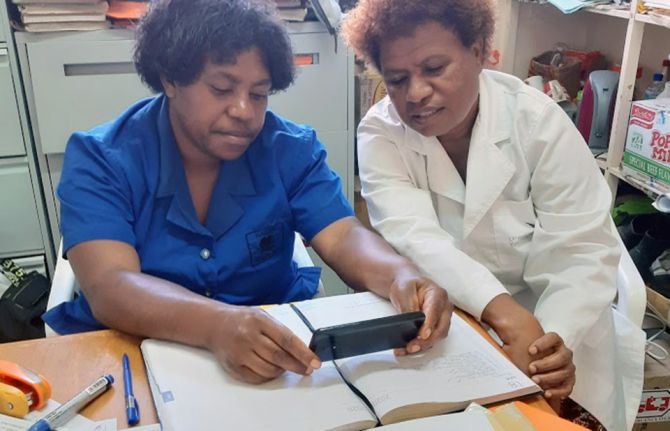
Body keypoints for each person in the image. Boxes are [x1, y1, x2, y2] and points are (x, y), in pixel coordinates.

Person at [43, 0, 452, 385]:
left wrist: (401, 275)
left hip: (274, 363)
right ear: (169, 78)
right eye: (222, 89)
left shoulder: (289, 149)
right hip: (138, 358)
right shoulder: (100, 159)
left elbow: (343, 236)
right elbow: (111, 285)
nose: (243, 111)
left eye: (258, 94)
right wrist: (216, 324)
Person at [341, 1, 644, 430]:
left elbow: (579, 249)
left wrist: (551, 343)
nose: (415, 93)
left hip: (559, 329)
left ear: (481, 51)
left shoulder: (538, 123)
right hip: (454, 323)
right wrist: (505, 315)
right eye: (397, 79)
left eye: (434, 68)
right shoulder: (381, 133)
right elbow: (416, 238)